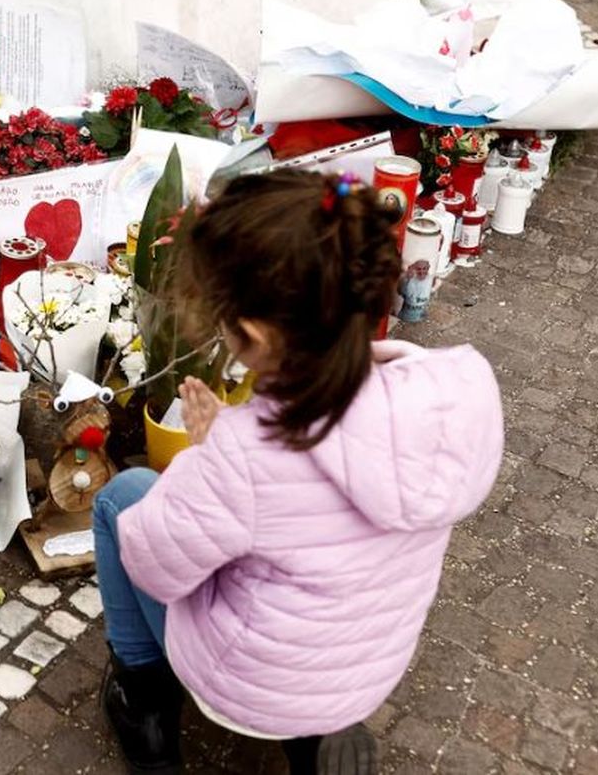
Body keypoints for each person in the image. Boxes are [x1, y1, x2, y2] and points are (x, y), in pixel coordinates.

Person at [93, 170, 503, 775]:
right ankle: (320, 735)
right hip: (367, 666)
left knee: (122, 498)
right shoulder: (449, 397)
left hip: (258, 682)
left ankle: (143, 705)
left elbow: (156, 566)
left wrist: (204, 458)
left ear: (254, 336)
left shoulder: (245, 457)